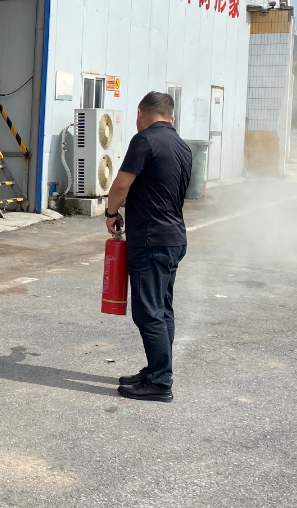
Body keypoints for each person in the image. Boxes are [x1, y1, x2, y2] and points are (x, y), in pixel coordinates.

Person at [104, 92, 192, 402]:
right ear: (171, 116)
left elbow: (121, 184)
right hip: (173, 238)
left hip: (151, 239)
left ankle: (159, 381)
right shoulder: (182, 145)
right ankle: (157, 370)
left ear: (140, 113)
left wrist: (111, 213)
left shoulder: (144, 140)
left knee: (149, 313)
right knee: (163, 310)